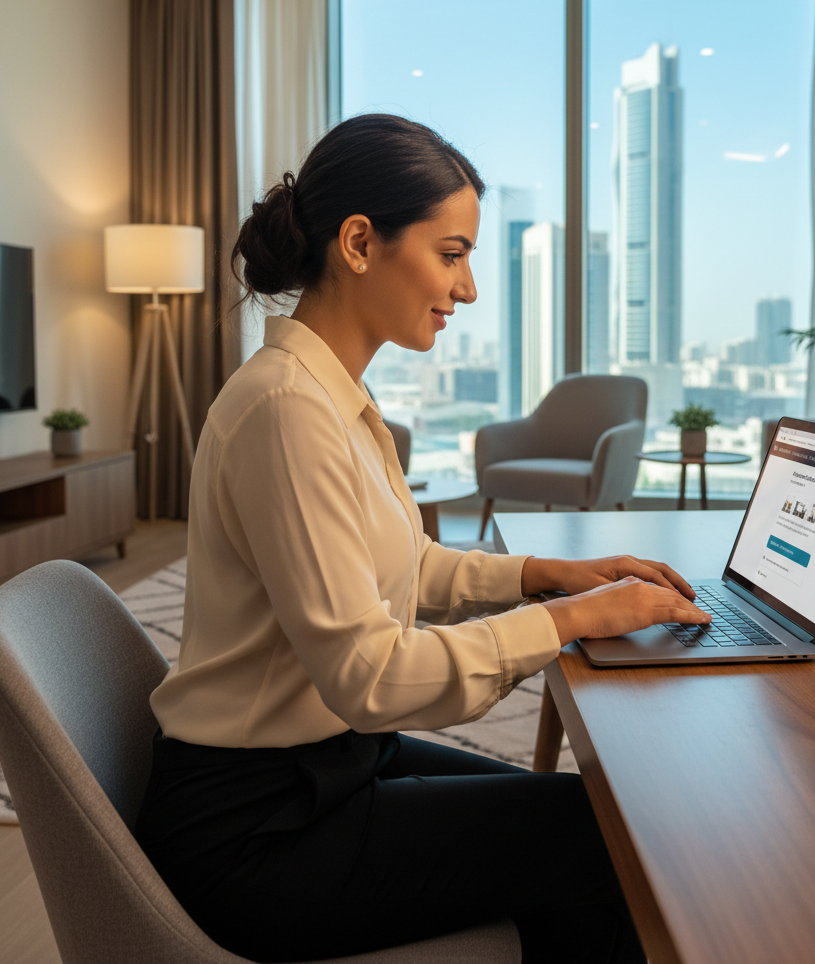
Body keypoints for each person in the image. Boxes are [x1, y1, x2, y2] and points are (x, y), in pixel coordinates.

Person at [134, 113, 711, 964]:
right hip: (256, 829)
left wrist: (555, 574)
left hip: (326, 767)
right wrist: (576, 620)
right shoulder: (286, 411)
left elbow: (408, 562)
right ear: (360, 243)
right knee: (593, 843)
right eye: (452, 254)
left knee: (596, 820)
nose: (468, 288)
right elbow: (371, 677)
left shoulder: (334, 399)